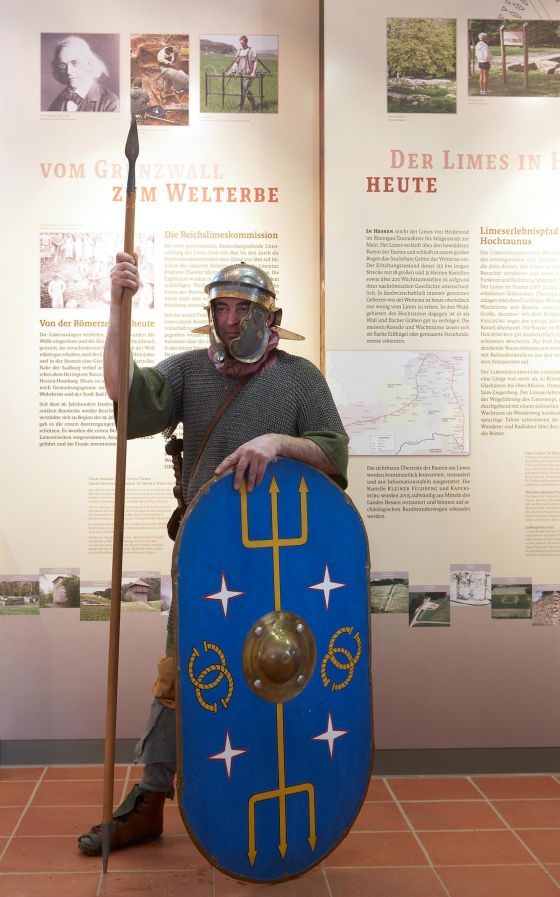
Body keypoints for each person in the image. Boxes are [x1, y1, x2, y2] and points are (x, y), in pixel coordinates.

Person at [77, 255, 349, 856]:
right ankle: (151, 797)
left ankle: (269, 785)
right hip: (210, 556)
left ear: (269, 316)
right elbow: (126, 398)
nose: (230, 321)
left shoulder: (300, 379)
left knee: (278, 665)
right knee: (184, 667)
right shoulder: (189, 372)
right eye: (222, 308)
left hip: (281, 561)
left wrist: (277, 442)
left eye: (243, 309)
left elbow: (334, 454)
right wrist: (117, 309)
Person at [48, 36, 119, 112]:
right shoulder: (57, 103)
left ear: (88, 63)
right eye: (62, 65)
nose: (68, 71)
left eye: (75, 62)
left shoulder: (110, 102)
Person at [229, 35, 258, 111]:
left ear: (246, 42)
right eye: (240, 43)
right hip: (241, 74)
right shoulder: (240, 50)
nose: (241, 44)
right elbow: (236, 62)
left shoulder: (251, 50)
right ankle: (253, 105)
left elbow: (255, 61)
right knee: (245, 90)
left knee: (245, 89)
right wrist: (232, 71)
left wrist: (253, 71)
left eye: (242, 43)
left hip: (248, 73)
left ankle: (240, 106)